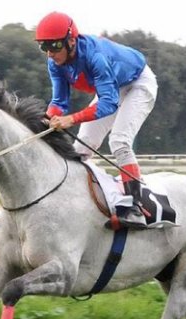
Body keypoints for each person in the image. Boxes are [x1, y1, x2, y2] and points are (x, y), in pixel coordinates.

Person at [35, 11, 158, 229]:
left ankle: (135, 208)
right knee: (82, 146)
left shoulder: (96, 57)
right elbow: (59, 102)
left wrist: (71, 119)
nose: (50, 53)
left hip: (138, 83)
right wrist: (47, 117)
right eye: (43, 47)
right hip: (113, 87)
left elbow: (108, 103)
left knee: (119, 141)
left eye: (54, 46)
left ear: (71, 41)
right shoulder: (55, 63)